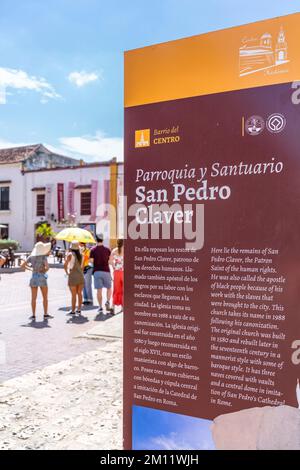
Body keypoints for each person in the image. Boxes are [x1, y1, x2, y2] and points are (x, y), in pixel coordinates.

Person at [21, 242, 51, 321]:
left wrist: (31, 269)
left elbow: (22, 265)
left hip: (34, 277)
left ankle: (33, 315)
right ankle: (45, 314)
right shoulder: (43, 257)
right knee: (45, 297)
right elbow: (47, 267)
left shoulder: (31, 256)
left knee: (33, 298)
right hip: (42, 277)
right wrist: (44, 270)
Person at [90, 234, 112, 314]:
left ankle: (100, 307)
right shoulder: (107, 250)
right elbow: (109, 261)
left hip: (97, 271)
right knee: (109, 288)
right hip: (106, 271)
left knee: (99, 290)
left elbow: (91, 261)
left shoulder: (93, 250)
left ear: (96, 240)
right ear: (103, 240)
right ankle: (108, 301)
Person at [64, 240, 84, 315]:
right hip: (80, 275)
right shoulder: (81, 255)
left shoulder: (70, 254)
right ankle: (79, 309)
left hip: (72, 275)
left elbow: (65, 265)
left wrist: (67, 273)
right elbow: (82, 267)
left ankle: (73, 310)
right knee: (79, 293)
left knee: (73, 294)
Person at [109, 239, 124, 314]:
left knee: (116, 289)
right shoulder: (126, 250)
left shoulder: (114, 250)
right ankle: (123, 307)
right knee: (124, 290)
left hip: (116, 272)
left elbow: (110, 261)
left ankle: (112, 306)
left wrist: (114, 267)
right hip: (124, 272)